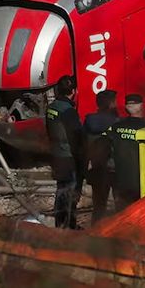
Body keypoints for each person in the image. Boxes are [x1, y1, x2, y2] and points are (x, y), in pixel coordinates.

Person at [45, 76, 84, 229]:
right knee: (70, 191)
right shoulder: (68, 111)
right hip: (68, 157)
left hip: (56, 155)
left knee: (61, 190)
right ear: (74, 91)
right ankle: (69, 224)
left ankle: (59, 222)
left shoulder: (52, 107)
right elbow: (76, 136)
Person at [82, 90, 120, 220]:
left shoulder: (89, 121)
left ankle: (96, 233)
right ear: (111, 104)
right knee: (121, 207)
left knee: (98, 207)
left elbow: (83, 144)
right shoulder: (117, 122)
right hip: (115, 169)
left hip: (97, 168)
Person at [107, 94, 145, 210]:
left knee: (121, 212)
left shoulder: (116, 127)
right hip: (139, 179)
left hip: (120, 178)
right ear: (141, 106)